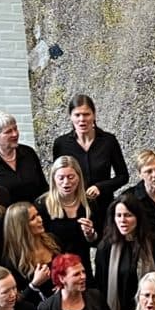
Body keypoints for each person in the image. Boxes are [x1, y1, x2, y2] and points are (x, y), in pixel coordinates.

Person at [53, 94, 128, 224]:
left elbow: (123, 176)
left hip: (104, 208)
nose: (82, 119)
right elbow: (57, 178)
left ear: (94, 115)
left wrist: (101, 187)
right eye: (77, 115)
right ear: (70, 116)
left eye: (86, 114)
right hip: (75, 209)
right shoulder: (61, 144)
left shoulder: (108, 141)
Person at [94, 190, 155, 310]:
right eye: (118, 215)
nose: (122, 220)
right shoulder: (105, 247)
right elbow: (100, 286)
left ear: (138, 218)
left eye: (128, 215)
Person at [36, 156, 99, 274]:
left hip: (82, 266)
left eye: (71, 177)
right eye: (61, 178)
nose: (66, 183)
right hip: (56, 269)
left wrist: (90, 234)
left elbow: (96, 241)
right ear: (53, 179)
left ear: (79, 178)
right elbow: (39, 243)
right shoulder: (42, 205)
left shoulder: (89, 203)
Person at [0, 110, 48, 209]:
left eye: (15, 129)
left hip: (36, 216)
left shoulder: (28, 153)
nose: (15, 134)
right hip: (7, 221)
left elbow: (43, 187)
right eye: (8, 132)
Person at [0, 202, 59, 303]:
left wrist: (64, 283)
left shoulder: (52, 240)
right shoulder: (11, 260)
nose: (40, 220)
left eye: (38, 215)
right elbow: (15, 300)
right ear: (21, 226)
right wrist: (34, 284)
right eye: (33, 218)